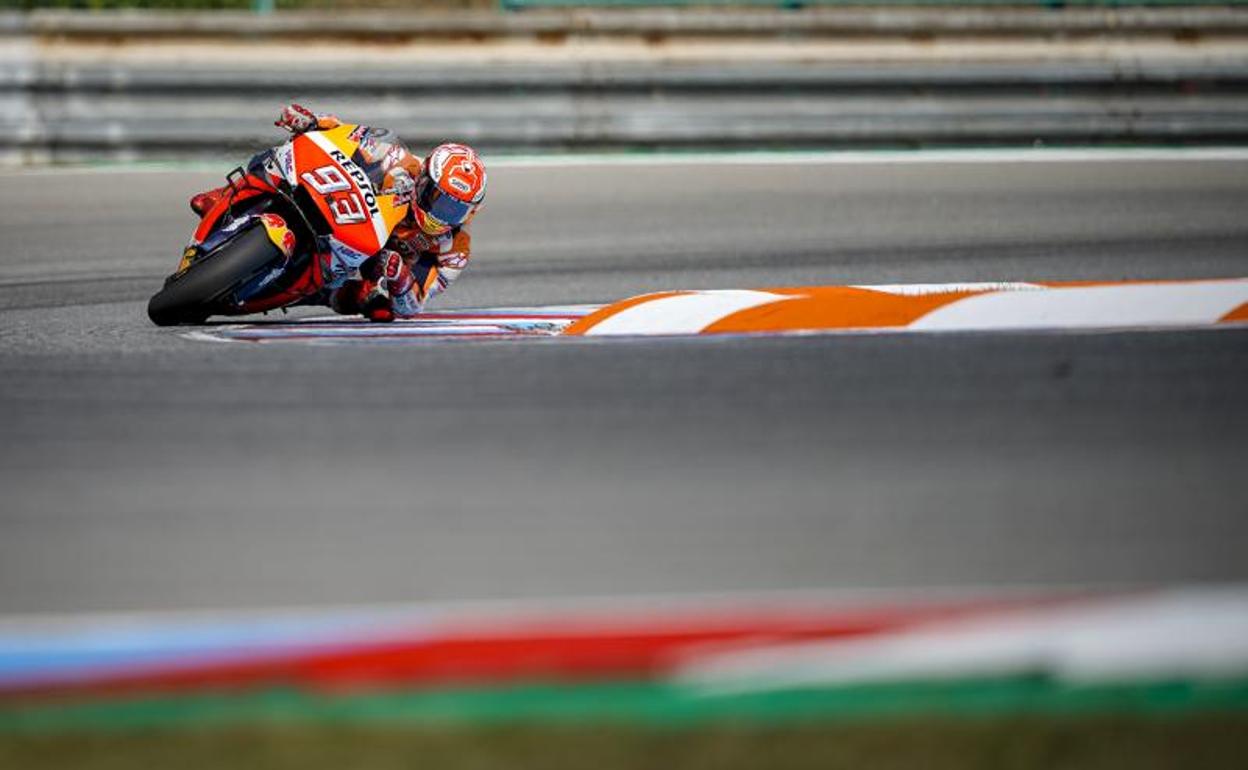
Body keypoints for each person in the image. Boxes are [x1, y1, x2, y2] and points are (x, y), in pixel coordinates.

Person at [189, 104, 486, 322]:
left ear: (471, 211)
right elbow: (350, 136)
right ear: (424, 179)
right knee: (281, 158)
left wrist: (398, 277)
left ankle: (295, 291)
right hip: (343, 210)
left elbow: (413, 305)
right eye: (438, 199)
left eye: (455, 209)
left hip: (365, 262)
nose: (441, 214)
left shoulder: (454, 251)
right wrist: (313, 122)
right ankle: (225, 195)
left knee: (374, 304)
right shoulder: (400, 161)